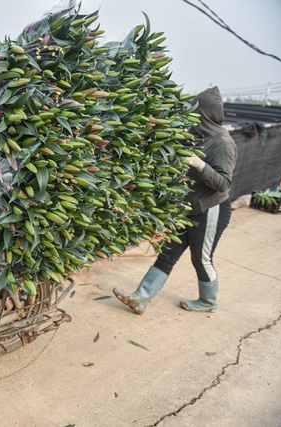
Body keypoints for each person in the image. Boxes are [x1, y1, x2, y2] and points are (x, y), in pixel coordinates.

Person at [113, 86, 238, 314]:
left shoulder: (222, 143)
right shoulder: (196, 134)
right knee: (168, 253)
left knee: (201, 259)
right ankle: (140, 297)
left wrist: (200, 165)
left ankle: (208, 301)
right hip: (187, 209)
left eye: (195, 112)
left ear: (206, 114)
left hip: (211, 208)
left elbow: (224, 183)